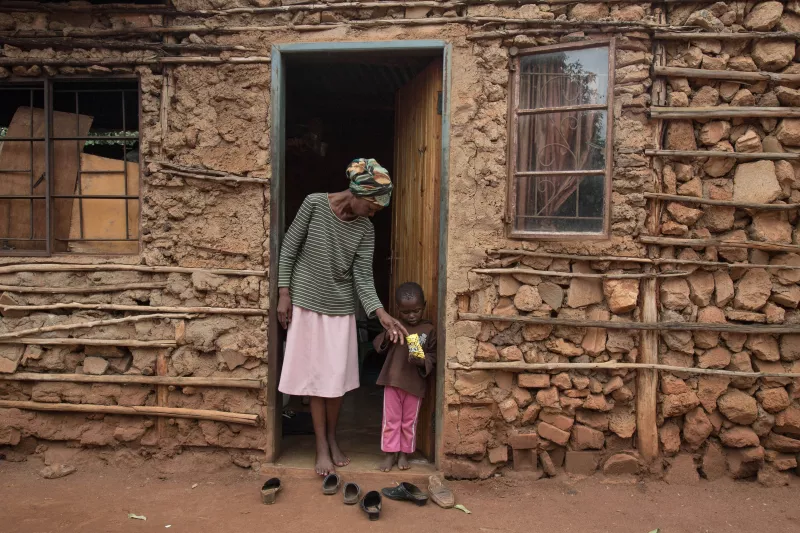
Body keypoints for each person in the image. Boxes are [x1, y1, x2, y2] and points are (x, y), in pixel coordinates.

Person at [276, 158, 409, 476]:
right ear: (356, 193)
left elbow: (363, 277)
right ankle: (321, 446)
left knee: (334, 381)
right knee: (315, 381)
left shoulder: (365, 228)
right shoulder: (314, 204)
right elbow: (289, 248)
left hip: (340, 309)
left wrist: (381, 313)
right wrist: (284, 294)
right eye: (373, 205)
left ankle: (332, 439)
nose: (374, 212)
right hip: (306, 303)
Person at [373, 282, 436, 472]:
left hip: (415, 384)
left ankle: (404, 453)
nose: (411, 316)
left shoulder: (428, 330)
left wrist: (422, 360)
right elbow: (378, 345)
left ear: (423, 306)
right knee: (391, 420)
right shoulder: (395, 326)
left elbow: (433, 355)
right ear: (398, 310)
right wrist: (387, 335)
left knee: (409, 422)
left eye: (416, 310)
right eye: (406, 312)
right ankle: (390, 453)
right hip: (393, 381)